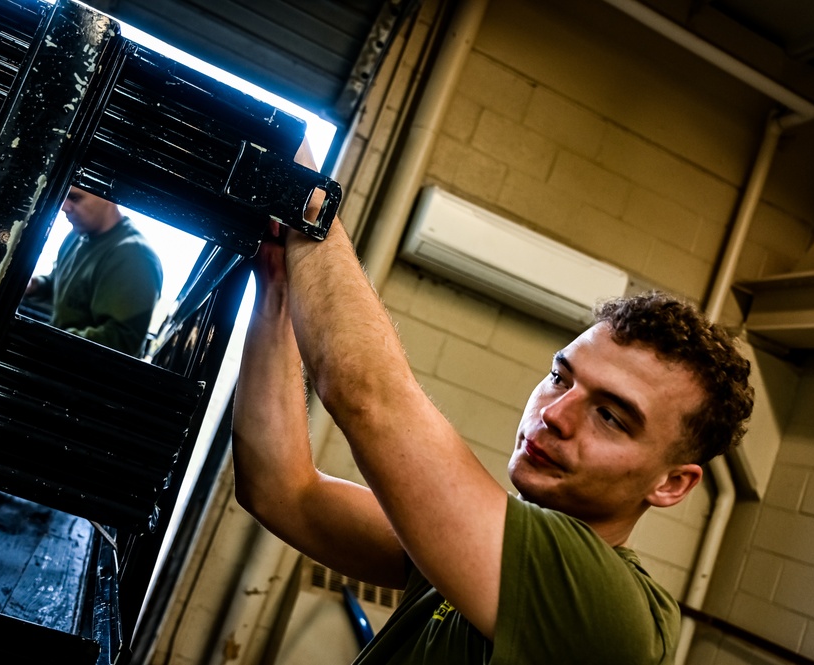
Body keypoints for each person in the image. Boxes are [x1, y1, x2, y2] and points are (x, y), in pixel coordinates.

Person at [231, 143, 754, 663]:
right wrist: (276, 286)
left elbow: (366, 395)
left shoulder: (605, 611)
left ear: (672, 483)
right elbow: (283, 491)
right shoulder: (481, 550)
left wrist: (307, 199)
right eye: (559, 377)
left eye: (611, 416)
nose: (554, 414)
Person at [25, 187, 163, 357]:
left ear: (109, 197)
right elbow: (62, 284)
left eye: (75, 198)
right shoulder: (75, 236)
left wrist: (43, 340)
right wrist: (35, 285)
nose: (64, 207)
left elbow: (119, 343)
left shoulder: (134, 256)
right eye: (65, 196)